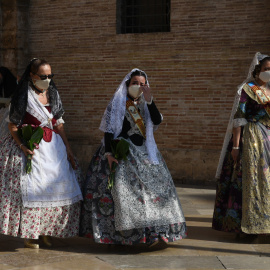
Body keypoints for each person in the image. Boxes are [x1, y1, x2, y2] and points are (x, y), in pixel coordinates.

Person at [80, 68, 187, 246]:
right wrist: (108, 154)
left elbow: (157, 121)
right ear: (127, 84)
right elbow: (108, 131)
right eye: (135, 83)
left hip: (146, 152)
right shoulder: (118, 103)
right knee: (123, 192)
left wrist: (150, 100)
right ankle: (122, 235)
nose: (138, 86)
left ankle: (154, 233)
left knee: (155, 192)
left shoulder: (146, 104)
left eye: (142, 84)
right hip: (121, 152)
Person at [0, 58, 83, 249]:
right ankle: (31, 234)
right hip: (32, 148)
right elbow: (12, 125)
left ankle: (48, 231)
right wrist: (22, 146)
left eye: (49, 76)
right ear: (32, 75)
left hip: (53, 148)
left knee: (54, 190)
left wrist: (68, 149)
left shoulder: (53, 94)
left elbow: (59, 124)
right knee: (33, 190)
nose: (47, 79)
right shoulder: (23, 97)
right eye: (43, 76)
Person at [212, 52, 270, 234]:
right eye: (266, 69)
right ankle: (245, 224)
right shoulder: (248, 89)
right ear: (257, 70)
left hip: (268, 138)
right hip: (251, 139)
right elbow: (239, 118)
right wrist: (236, 146)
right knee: (251, 180)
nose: (269, 72)